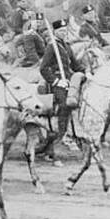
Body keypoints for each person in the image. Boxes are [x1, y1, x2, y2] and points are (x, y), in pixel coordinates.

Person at [37, 18, 82, 157]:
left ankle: (74, 134)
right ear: (55, 32)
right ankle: (61, 137)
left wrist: (86, 73)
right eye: (61, 31)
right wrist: (56, 81)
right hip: (57, 82)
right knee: (64, 105)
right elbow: (43, 68)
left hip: (69, 80)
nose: (63, 33)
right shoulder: (52, 47)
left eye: (65, 30)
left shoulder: (67, 46)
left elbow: (75, 65)